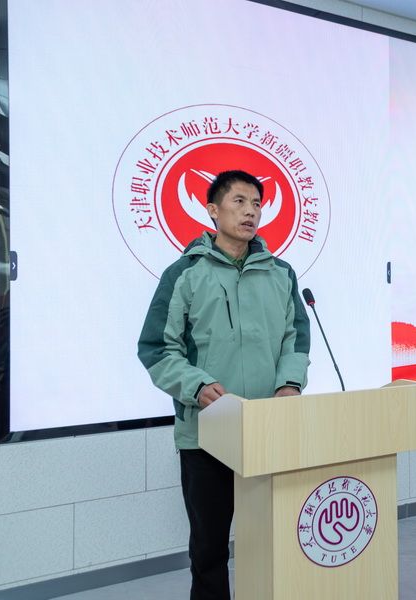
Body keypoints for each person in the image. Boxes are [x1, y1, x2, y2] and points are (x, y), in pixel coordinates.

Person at [137, 170, 310, 600]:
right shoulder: (184, 274)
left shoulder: (281, 274)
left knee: (275, 539)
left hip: (268, 428)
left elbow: (296, 339)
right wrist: (196, 385)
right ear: (213, 210)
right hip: (207, 432)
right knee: (210, 548)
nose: (250, 212)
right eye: (239, 201)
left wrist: (290, 383)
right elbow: (156, 348)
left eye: (257, 204)